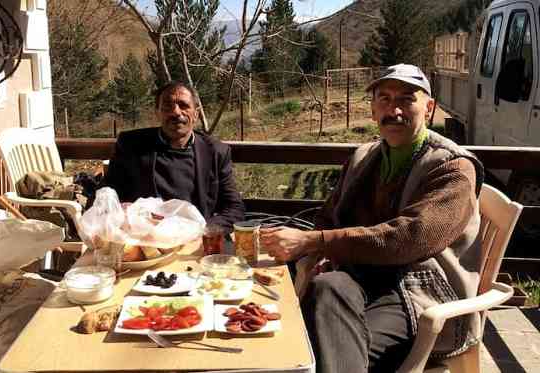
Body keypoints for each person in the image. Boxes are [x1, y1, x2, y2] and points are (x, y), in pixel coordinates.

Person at [260, 64, 484, 372]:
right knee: (326, 288)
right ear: (373, 109)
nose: (394, 110)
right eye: (384, 99)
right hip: (360, 276)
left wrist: (313, 240)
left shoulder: (452, 168)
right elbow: (329, 214)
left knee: (315, 341)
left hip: (416, 290)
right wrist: (317, 252)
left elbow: (411, 238)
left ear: (429, 108)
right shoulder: (364, 157)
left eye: (407, 99)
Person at [102, 81, 244, 231]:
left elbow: (234, 208)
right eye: (168, 106)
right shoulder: (131, 145)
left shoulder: (216, 152)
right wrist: (121, 214)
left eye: (184, 105)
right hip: (145, 240)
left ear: (196, 113)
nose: (176, 112)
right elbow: (107, 195)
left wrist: (203, 231)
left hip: (195, 240)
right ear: (157, 112)